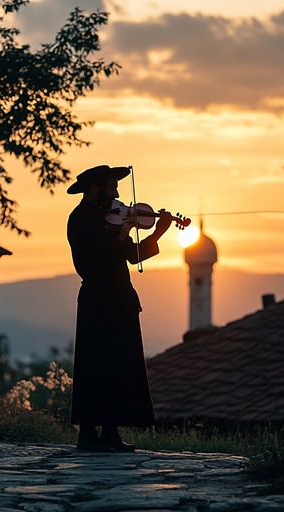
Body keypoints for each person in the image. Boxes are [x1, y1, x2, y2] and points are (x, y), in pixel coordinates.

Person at [66, 164, 173, 452]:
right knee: (94, 365)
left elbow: (132, 255)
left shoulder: (109, 220)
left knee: (120, 364)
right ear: (95, 189)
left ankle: (111, 431)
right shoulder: (80, 219)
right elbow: (96, 258)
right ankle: (87, 434)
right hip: (96, 300)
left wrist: (159, 232)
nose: (116, 196)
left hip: (120, 299)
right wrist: (122, 233)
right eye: (112, 188)